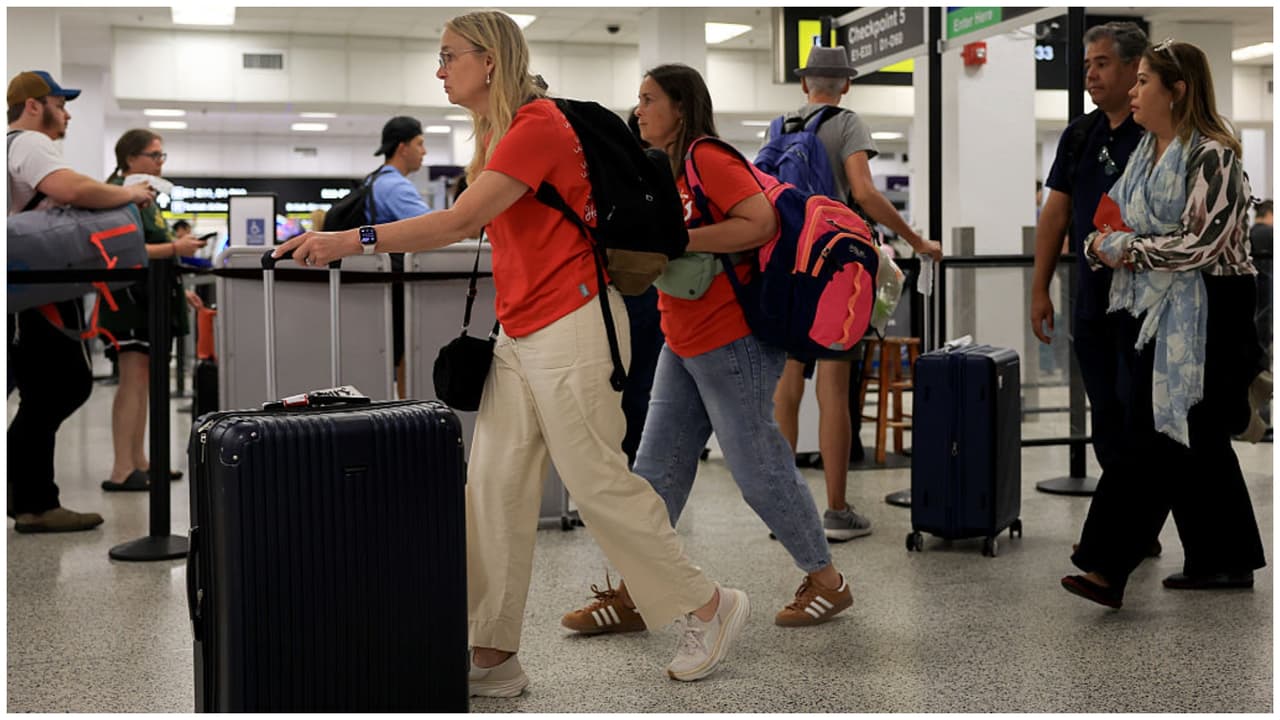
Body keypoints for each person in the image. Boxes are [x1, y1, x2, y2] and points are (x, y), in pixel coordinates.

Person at [274, 11, 748, 694]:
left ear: (489, 60)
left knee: (594, 480)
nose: (439, 70)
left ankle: (709, 604)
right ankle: (494, 656)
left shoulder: (538, 127)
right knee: (493, 489)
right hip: (521, 333)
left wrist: (351, 240)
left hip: (573, 324)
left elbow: (462, 221)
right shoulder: (500, 132)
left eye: (449, 56)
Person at [562, 62, 853, 638]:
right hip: (683, 335)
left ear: (680, 106)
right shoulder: (663, 169)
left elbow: (760, 222)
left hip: (733, 335)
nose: (639, 108)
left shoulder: (707, 158)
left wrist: (679, 238)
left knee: (757, 468)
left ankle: (828, 582)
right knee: (656, 471)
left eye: (649, 99)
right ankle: (634, 593)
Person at [1061, 39, 1267, 608]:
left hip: (1211, 308)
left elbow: (1201, 243)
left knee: (1155, 432)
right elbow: (1107, 218)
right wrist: (1102, 242)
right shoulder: (1145, 155)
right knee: (1190, 439)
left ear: (1178, 91)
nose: (1133, 90)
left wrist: (1123, 250)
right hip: (1160, 306)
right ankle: (1223, 560)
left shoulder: (1214, 154)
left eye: (1144, 80)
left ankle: (1106, 564)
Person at [767, 45, 942, 542]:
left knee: (787, 386)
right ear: (845, 84)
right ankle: (837, 511)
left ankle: (785, 511)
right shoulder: (846, 123)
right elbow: (863, 193)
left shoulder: (778, 127)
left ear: (805, 84)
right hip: (834, 268)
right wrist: (916, 241)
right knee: (834, 390)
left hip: (786, 267)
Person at [7, 70, 156, 532]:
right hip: (38, 289)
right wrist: (129, 193)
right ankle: (32, 501)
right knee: (63, 384)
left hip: (27, 286)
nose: (67, 112)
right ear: (34, 105)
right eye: (59, 102)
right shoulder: (29, 143)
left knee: (44, 387)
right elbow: (72, 190)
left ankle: (33, 499)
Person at [1031, 24, 1150, 478]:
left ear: (1134, 68)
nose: (1091, 75)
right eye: (1087, 66)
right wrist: (1039, 289)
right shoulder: (1080, 135)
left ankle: (1129, 528)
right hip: (1092, 301)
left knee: (1137, 411)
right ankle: (1122, 527)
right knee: (1105, 412)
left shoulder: (1155, 134)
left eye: (1101, 64)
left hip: (1144, 303)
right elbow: (1054, 216)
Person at [98, 129, 205, 491]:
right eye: (154, 155)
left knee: (141, 381)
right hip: (128, 300)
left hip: (147, 297)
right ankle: (121, 467)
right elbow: (127, 250)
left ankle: (138, 459)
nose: (160, 162)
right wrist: (176, 249)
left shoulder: (140, 194)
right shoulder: (117, 194)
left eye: (162, 156)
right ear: (130, 158)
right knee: (132, 379)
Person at [370, 115, 431, 398]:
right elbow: (436, 231)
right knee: (406, 352)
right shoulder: (395, 187)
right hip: (396, 291)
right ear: (402, 147)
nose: (424, 151)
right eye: (420, 143)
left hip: (379, 290)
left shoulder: (374, 181)